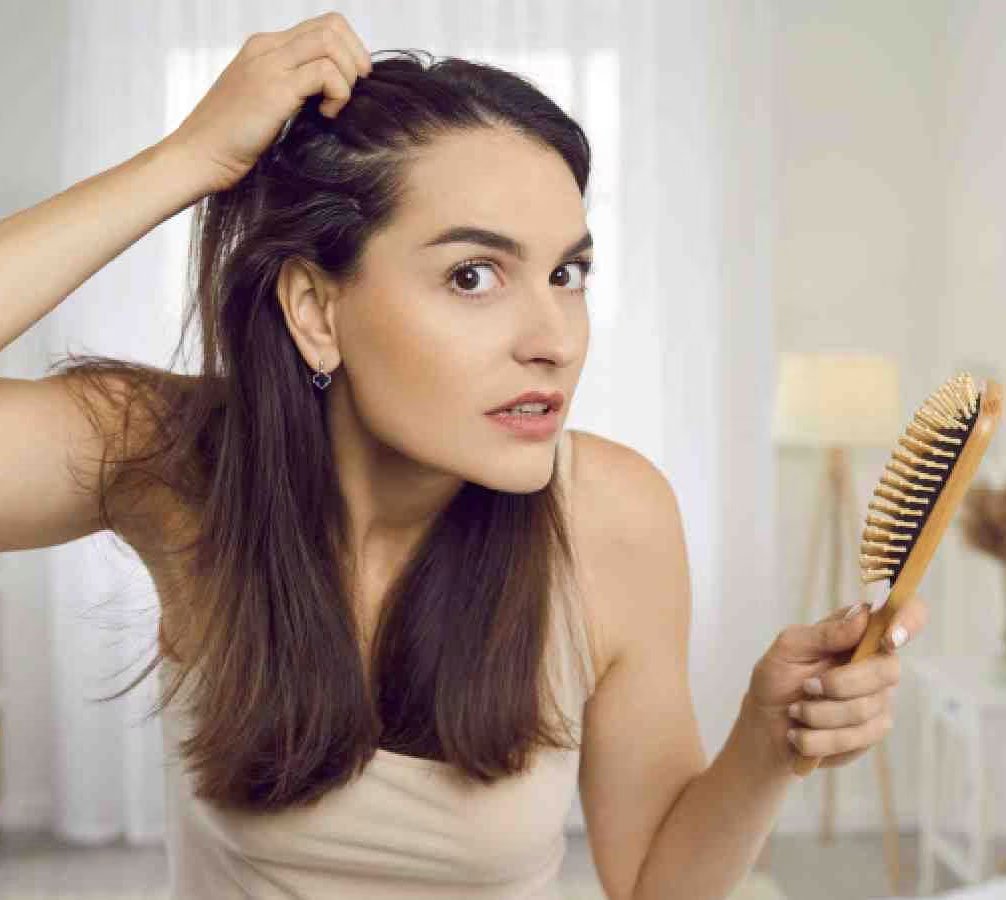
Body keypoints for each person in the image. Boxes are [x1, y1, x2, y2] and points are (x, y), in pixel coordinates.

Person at [0, 10, 928, 899]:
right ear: (317, 312)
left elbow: (653, 882)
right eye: (473, 275)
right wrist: (186, 160)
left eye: (567, 273)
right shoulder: (171, 462)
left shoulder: (613, 517)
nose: (554, 339)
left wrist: (766, 744)